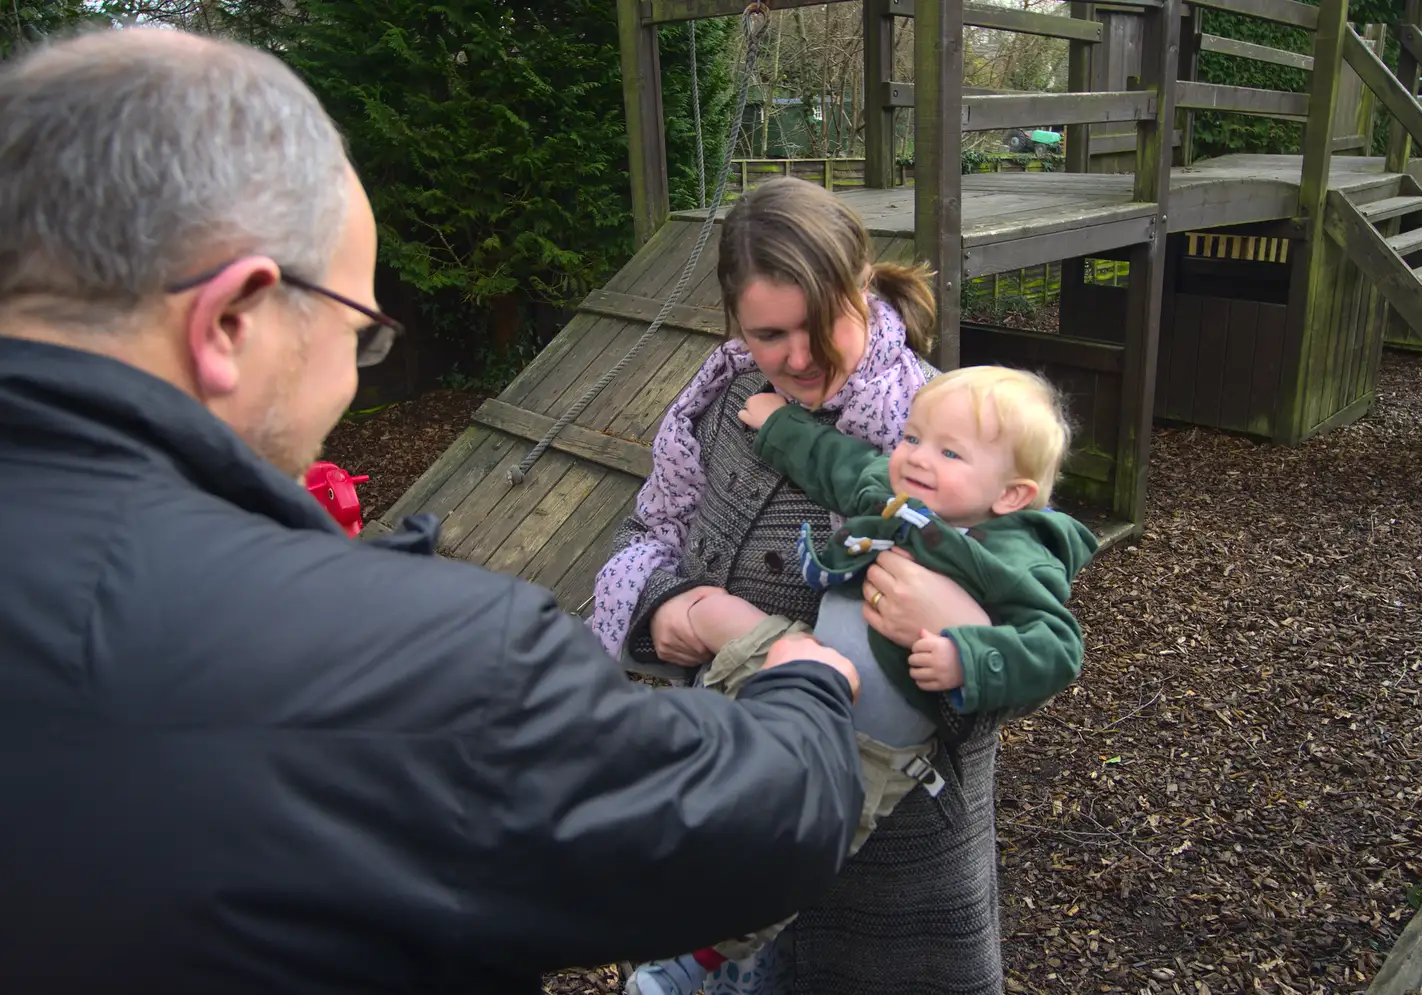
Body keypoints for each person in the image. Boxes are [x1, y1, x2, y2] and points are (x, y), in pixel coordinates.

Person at [0, 28, 875, 995]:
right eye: (356, 329)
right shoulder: (420, 670)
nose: (349, 373)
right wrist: (797, 678)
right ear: (232, 321)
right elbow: (758, 823)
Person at [591, 176, 1014, 995]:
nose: (799, 357)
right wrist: (685, 611)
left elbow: (1027, 644)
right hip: (732, 812)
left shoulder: (945, 430)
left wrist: (962, 631)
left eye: (821, 323)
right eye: (769, 334)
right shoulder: (715, 409)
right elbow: (643, 538)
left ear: (861, 284)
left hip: (890, 855)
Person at [626, 366, 1099, 995]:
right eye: (911, 438)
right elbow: (838, 462)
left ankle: (703, 962)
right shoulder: (896, 497)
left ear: (1011, 495)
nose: (916, 458)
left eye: (949, 452)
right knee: (728, 798)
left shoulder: (1012, 557)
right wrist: (779, 423)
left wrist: (966, 654)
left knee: (797, 849)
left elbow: (1056, 648)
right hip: (806, 683)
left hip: (873, 750)